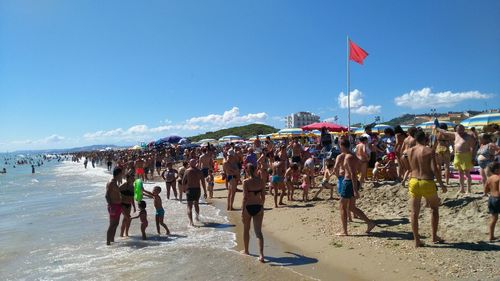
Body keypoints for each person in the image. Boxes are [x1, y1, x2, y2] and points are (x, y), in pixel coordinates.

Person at [405, 130, 447, 247]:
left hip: (413, 181)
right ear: (425, 139)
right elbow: (435, 169)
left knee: (414, 212)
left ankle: (417, 240)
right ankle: (434, 236)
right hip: (427, 181)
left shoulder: (409, 151)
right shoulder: (429, 150)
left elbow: (408, 166)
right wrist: (441, 184)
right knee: (434, 208)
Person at [337, 139, 376, 236]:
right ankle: (370, 223)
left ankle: (344, 231)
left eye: (339, 146)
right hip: (352, 182)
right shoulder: (353, 156)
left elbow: (353, 173)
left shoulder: (348, 157)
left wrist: (355, 190)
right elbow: (358, 170)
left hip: (349, 182)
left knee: (342, 206)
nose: (339, 148)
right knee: (351, 207)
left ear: (342, 146)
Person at [437, 125, 475, 193]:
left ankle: (468, 190)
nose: (460, 131)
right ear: (456, 130)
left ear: (464, 129)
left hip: (466, 155)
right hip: (457, 155)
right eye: (458, 130)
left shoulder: (468, 137)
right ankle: (462, 189)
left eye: (461, 130)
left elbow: (473, 148)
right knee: (460, 173)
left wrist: (473, 158)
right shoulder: (455, 134)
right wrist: (437, 128)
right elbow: (445, 132)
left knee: (467, 174)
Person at [241, 163, 266, 263]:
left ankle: (246, 250)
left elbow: (244, 197)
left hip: (248, 207)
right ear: (255, 169)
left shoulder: (246, 182)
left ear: (246, 171)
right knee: (258, 232)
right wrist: (262, 205)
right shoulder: (261, 181)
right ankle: (261, 255)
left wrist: (242, 210)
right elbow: (263, 196)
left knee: (246, 229)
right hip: (258, 206)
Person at [182, 159, 207, 226]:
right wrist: (205, 191)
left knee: (189, 206)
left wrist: (183, 189)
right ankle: (197, 218)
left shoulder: (187, 171)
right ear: (196, 163)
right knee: (196, 204)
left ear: (189, 163)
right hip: (197, 189)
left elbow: (183, 181)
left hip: (190, 189)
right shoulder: (199, 171)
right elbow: (203, 182)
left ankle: (191, 222)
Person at [105, 167, 123, 245]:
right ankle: (108, 243)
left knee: (116, 224)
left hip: (118, 205)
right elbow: (106, 195)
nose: (122, 175)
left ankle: (112, 240)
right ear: (118, 174)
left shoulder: (115, 182)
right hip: (113, 206)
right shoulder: (111, 182)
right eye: (121, 174)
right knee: (112, 224)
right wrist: (111, 205)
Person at [484, 162, 499, 242]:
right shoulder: (498, 178)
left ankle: (491, 236)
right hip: (498, 199)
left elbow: (485, 189)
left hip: (491, 199)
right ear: (497, 170)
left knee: (493, 218)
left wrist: (486, 193)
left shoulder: (489, 178)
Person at [119, 172, 136, 237]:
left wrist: (134, 206)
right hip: (122, 204)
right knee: (128, 218)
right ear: (127, 179)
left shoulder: (133, 187)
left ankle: (126, 233)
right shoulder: (123, 185)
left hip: (129, 205)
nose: (133, 178)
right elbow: (116, 192)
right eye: (131, 177)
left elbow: (132, 197)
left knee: (126, 219)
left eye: (133, 177)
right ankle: (122, 234)